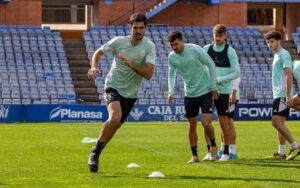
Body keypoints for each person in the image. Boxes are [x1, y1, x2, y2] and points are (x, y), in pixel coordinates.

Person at [87, 13, 156, 173]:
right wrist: (94, 67)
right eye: (135, 28)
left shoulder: (149, 46)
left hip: (130, 94)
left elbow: (148, 74)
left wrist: (131, 64)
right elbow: (98, 53)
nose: (138, 31)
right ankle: (95, 153)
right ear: (130, 28)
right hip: (113, 85)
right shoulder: (119, 42)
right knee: (114, 118)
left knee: (115, 125)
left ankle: (97, 149)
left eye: (141, 28)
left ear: (145, 28)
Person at [167, 31, 219, 162]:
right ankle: (194, 155)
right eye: (172, 45)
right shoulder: (172, 57)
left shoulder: (195, 50)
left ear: (182, 41)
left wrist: (213, 86)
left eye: (176, 44)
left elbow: (211, 64)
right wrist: (170, 92)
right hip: (190, 94)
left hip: (206, 90)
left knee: (206, 122)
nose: (174, 47)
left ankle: (213, 145)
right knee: (192, 125)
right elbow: (171, 75)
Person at [203, 24, 240, 161]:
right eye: (216, 35)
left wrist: (220, 79)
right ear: (213, 35)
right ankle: (209, 151)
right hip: (207, 90)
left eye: (220, 35)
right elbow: (200, 66)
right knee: (206, 122)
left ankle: (226, 152)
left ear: (225, 36)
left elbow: (237, 73)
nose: (217, 38)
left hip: (223, 91)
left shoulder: (230, 51)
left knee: (224, 122)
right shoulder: (206, 49)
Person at [264, 31, 300, 160]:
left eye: (272, 41)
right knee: (281, 123)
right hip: (279, 94)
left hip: (282, 94)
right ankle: (281, 153)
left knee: (275, 122)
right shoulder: (277, 55)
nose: (269, 44)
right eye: (268, 42)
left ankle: (295, 146)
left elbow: (288, 75)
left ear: (279, 41)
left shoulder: (284, 55)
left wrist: (288, 96)